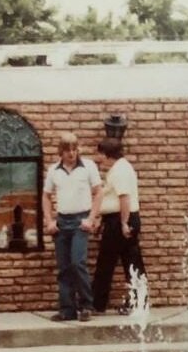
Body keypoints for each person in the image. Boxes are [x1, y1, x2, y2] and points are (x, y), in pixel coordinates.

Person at [42, 133, 102, 322]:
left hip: (80, 221)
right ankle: (67, 309)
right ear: (61, 151)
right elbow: (46, 196)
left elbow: (99, 193)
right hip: (62, 221)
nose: (71, 153)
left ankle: (86, 306)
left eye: (75, 149)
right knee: (64, 267)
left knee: (78, 263)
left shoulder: (89, 167)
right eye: (67, 150)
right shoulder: (54, 170)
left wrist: (91, 218)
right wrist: (49, 221)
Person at [90, 138, 147, 315]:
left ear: (106, 154)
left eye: (100, 154)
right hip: (119, 219)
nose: (99, 158)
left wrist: (123, 222)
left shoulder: (120, 171)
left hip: (120, 220)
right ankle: (138, 302)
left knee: (107, 262)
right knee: (131, 261)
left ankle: (97, 304)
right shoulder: (121, 167)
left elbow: (124, 198)